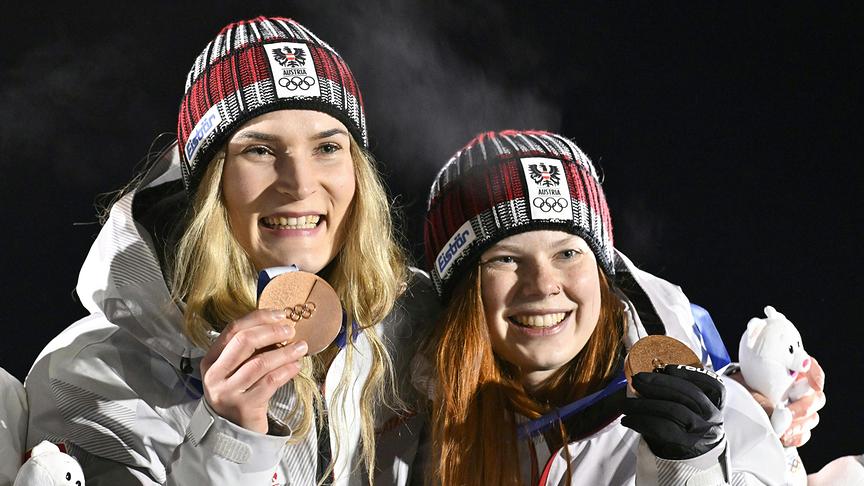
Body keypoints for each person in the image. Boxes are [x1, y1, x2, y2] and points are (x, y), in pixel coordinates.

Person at [24, 16, 436, 485]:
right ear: (207, 187)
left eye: (327, 148)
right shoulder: (89, 377)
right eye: (259, 151)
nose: (300, 184)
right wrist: (230, 442)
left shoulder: (415, 323)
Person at [420, 129, 827, 485]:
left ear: (601, 270)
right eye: (506, 259)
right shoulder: (405, 407)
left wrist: (690, 473)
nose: (544, 286)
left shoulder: (700, 405)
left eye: (567, 253)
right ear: (459, 289)